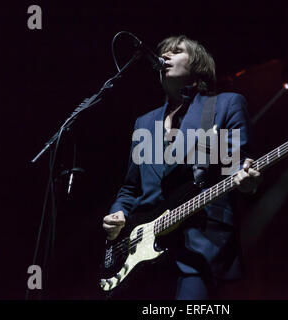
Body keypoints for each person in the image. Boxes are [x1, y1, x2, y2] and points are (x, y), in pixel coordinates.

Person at [102, 35, 261, 299]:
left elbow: (236, 167)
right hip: (140, 254)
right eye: (162, 53)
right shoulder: (144, 123)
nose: (164, 56)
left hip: (198, 247)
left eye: (175, 51)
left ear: (198, 65)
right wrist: (117, 215)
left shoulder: (224, 105)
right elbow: (130, 188)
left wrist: (248, 181)